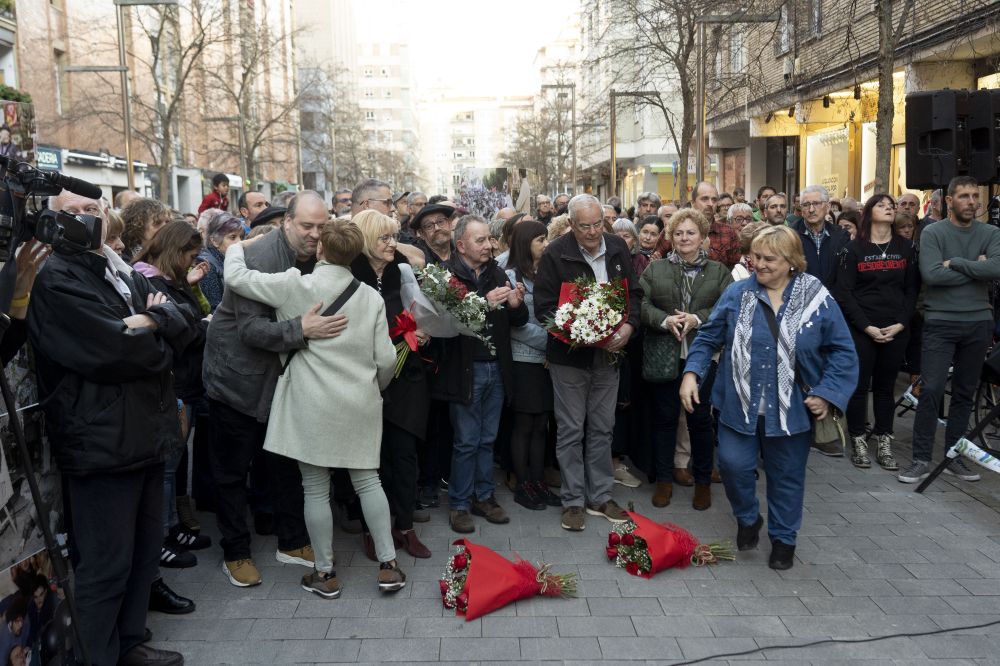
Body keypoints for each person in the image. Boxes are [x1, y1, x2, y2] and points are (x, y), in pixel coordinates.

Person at [29, 189, 193, 666]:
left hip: (145, 433)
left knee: (143, 557)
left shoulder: (115, 270)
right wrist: (156, 332)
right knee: (105, 567)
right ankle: (95, 657)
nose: (85, 219)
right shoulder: (56, 279)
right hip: (100, 442)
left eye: (91, 210)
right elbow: (117, 350)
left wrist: (156, 321)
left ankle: (128, 645)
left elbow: (182, 322)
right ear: (51, 223)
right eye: (72, 212)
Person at [224, 218, 406, 597]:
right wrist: (375, 387)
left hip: (310, 403)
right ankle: (389, 565)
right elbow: (386, 359)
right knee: (368, 481)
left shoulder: (295, 285)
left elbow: (238, 279)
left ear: (321, 249)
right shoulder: (370, 297)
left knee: (315, 488)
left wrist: (236, 247)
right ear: (355, 252)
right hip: (359, 401)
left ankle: (325, 574)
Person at [680, 225, 856, 570]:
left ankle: (783, 539)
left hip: (792, 413)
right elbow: (708, 338)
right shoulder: (738, 294)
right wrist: (691, 373)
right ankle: (747, 517)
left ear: (791, 261)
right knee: (732, 466)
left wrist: (826, 394)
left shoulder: (816, 296)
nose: (757, 264)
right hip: (737, 407)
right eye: (755, 256)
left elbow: (843, 352)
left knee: (786, 477)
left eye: (767, 258)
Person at [203, 192, 336, 588]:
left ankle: (291, 542)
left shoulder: (318, 253)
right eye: (307, 226)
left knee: (283, 464)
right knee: (232, 471)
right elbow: (251, 330)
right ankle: (235, 553)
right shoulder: (259, 258)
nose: (315, 235)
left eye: (321, 226)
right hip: (236, 381)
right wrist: (302, 330)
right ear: (287, 222)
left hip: (280, 381)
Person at [534, 194, 641, 532]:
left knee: (602, 426)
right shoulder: (555, 253)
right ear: (571, 224)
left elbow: (634, 294)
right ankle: (573, 501)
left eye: (598, 224)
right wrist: (578, 328)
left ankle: (601, 496)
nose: (593, 232)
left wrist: (628, 326)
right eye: (585, 226)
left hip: (609, 354)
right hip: (570, 357)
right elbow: (544, 308)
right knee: (569, 429)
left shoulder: (617, 247)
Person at [899, 176, 1000, 484]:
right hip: (940, 321)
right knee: (930, 390)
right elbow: (931, 275)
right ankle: (920, 459)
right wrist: (974, 268)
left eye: (974, 196)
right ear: (949, 202)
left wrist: (955, 262)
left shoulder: (991, 232)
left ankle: (954, 457)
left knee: (964, 393)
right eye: (964, 196)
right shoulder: (933, 232)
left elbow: (995, 269)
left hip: (978, 321)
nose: (972, 201)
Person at [430, 215, 528, 533]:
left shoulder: (497, 272)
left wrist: (515, 304)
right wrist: (483, 303)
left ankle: (484, 497)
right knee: (466, 441)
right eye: (480, 240)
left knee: (487, 439)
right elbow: (450, 320)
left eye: (489, 239)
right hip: (464, 368)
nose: (489, 246)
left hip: (496, 367)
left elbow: (518, 321)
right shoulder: (446, 276)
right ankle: (459, 504)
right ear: (461, 245)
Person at [350, 210, 432, 559]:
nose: (391, 243)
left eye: (393, 236)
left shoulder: (401, 266)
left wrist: (423, 330)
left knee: (404, 454)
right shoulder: (350, 272)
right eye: (384, 237)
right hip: (365, 375)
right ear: (367, 239)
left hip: (407, 374)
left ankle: (405, 526)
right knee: (372, 457)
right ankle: (373, 528)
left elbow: (421, 306)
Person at [132, 222, 215, 560]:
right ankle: (162, 539)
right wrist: (198, 328)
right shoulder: (151, 283)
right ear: (175, 252)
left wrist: (192, 290)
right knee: (167, 468)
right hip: (174, 385)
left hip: (186, 382)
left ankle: (172, 528)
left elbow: (196, 314)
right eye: (190, 256)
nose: (191, 262)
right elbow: (180, 334)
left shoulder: (170, 282)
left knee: (175, 464)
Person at [640, 209, 733, 510]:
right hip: (665, 355)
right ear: (671, 237)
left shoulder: (719, 272)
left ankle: (703, 482)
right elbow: (640, 303)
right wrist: (664, 320)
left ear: (703, 237)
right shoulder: (656, 270)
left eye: (691, 233)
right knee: (665, 419)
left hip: (703, 354)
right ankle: (664, 480)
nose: (684, 238)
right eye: (678, 233)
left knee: (700, 420)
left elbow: (727, 307)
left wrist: (697, 318)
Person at [832, 194, 918, 471]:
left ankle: (884, 439)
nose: (890, 208)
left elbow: (911, 290)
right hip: (862, 328)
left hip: (895, 328)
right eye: (882, 205)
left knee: (885, 387)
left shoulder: (906, 247)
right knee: (860, 387)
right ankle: (858, 438)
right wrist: (866, 327)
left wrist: (902, 323)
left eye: (891, 206)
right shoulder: (853, 249)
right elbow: (844, 293)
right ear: (869, 213)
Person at [504, 221, 559, 510]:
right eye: (540, 239)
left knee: (542, 425)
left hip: (546, 362)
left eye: (546, 238)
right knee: (524, 424)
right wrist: (552, 345)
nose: (546, 244)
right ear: (526, 243)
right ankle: (522, 484)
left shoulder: (547, 273)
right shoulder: (510, 277)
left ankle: (539, 482)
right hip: (524, 359)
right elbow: (517, 327)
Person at [793, 184, 850, 288]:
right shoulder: (791, 235)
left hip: (834, 300)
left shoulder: (841, 236)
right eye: (806, 205)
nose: (811, 209)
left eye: (816, 204)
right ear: (801, 209)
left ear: (827, 207)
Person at [196, 211, 245, 312]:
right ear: (214, 241)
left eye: (241, 237)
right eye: (232, 237)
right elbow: (216, 308)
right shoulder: (207, 266)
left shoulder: (228, 259)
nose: (239, 242)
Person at [121, 197, 172, 261]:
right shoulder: (124, 258)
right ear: (138, 227)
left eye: (168, 222)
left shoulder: (172, 253)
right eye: (157, 223)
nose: (166, 227)